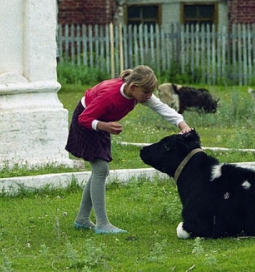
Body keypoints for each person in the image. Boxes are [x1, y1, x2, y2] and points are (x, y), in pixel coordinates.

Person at [66, 65, 192, 234]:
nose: (148, 97)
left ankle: (82, 219)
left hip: (102, 123)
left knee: (99, 171)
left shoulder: (138, 93)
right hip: (87, 122)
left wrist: (181, 124)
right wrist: (103, 125)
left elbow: (161, 107)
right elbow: (84, 118)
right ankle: (102, 224)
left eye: (150, 93)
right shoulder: (109, 95)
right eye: (146, 93)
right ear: (133, 87)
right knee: (101, 169)